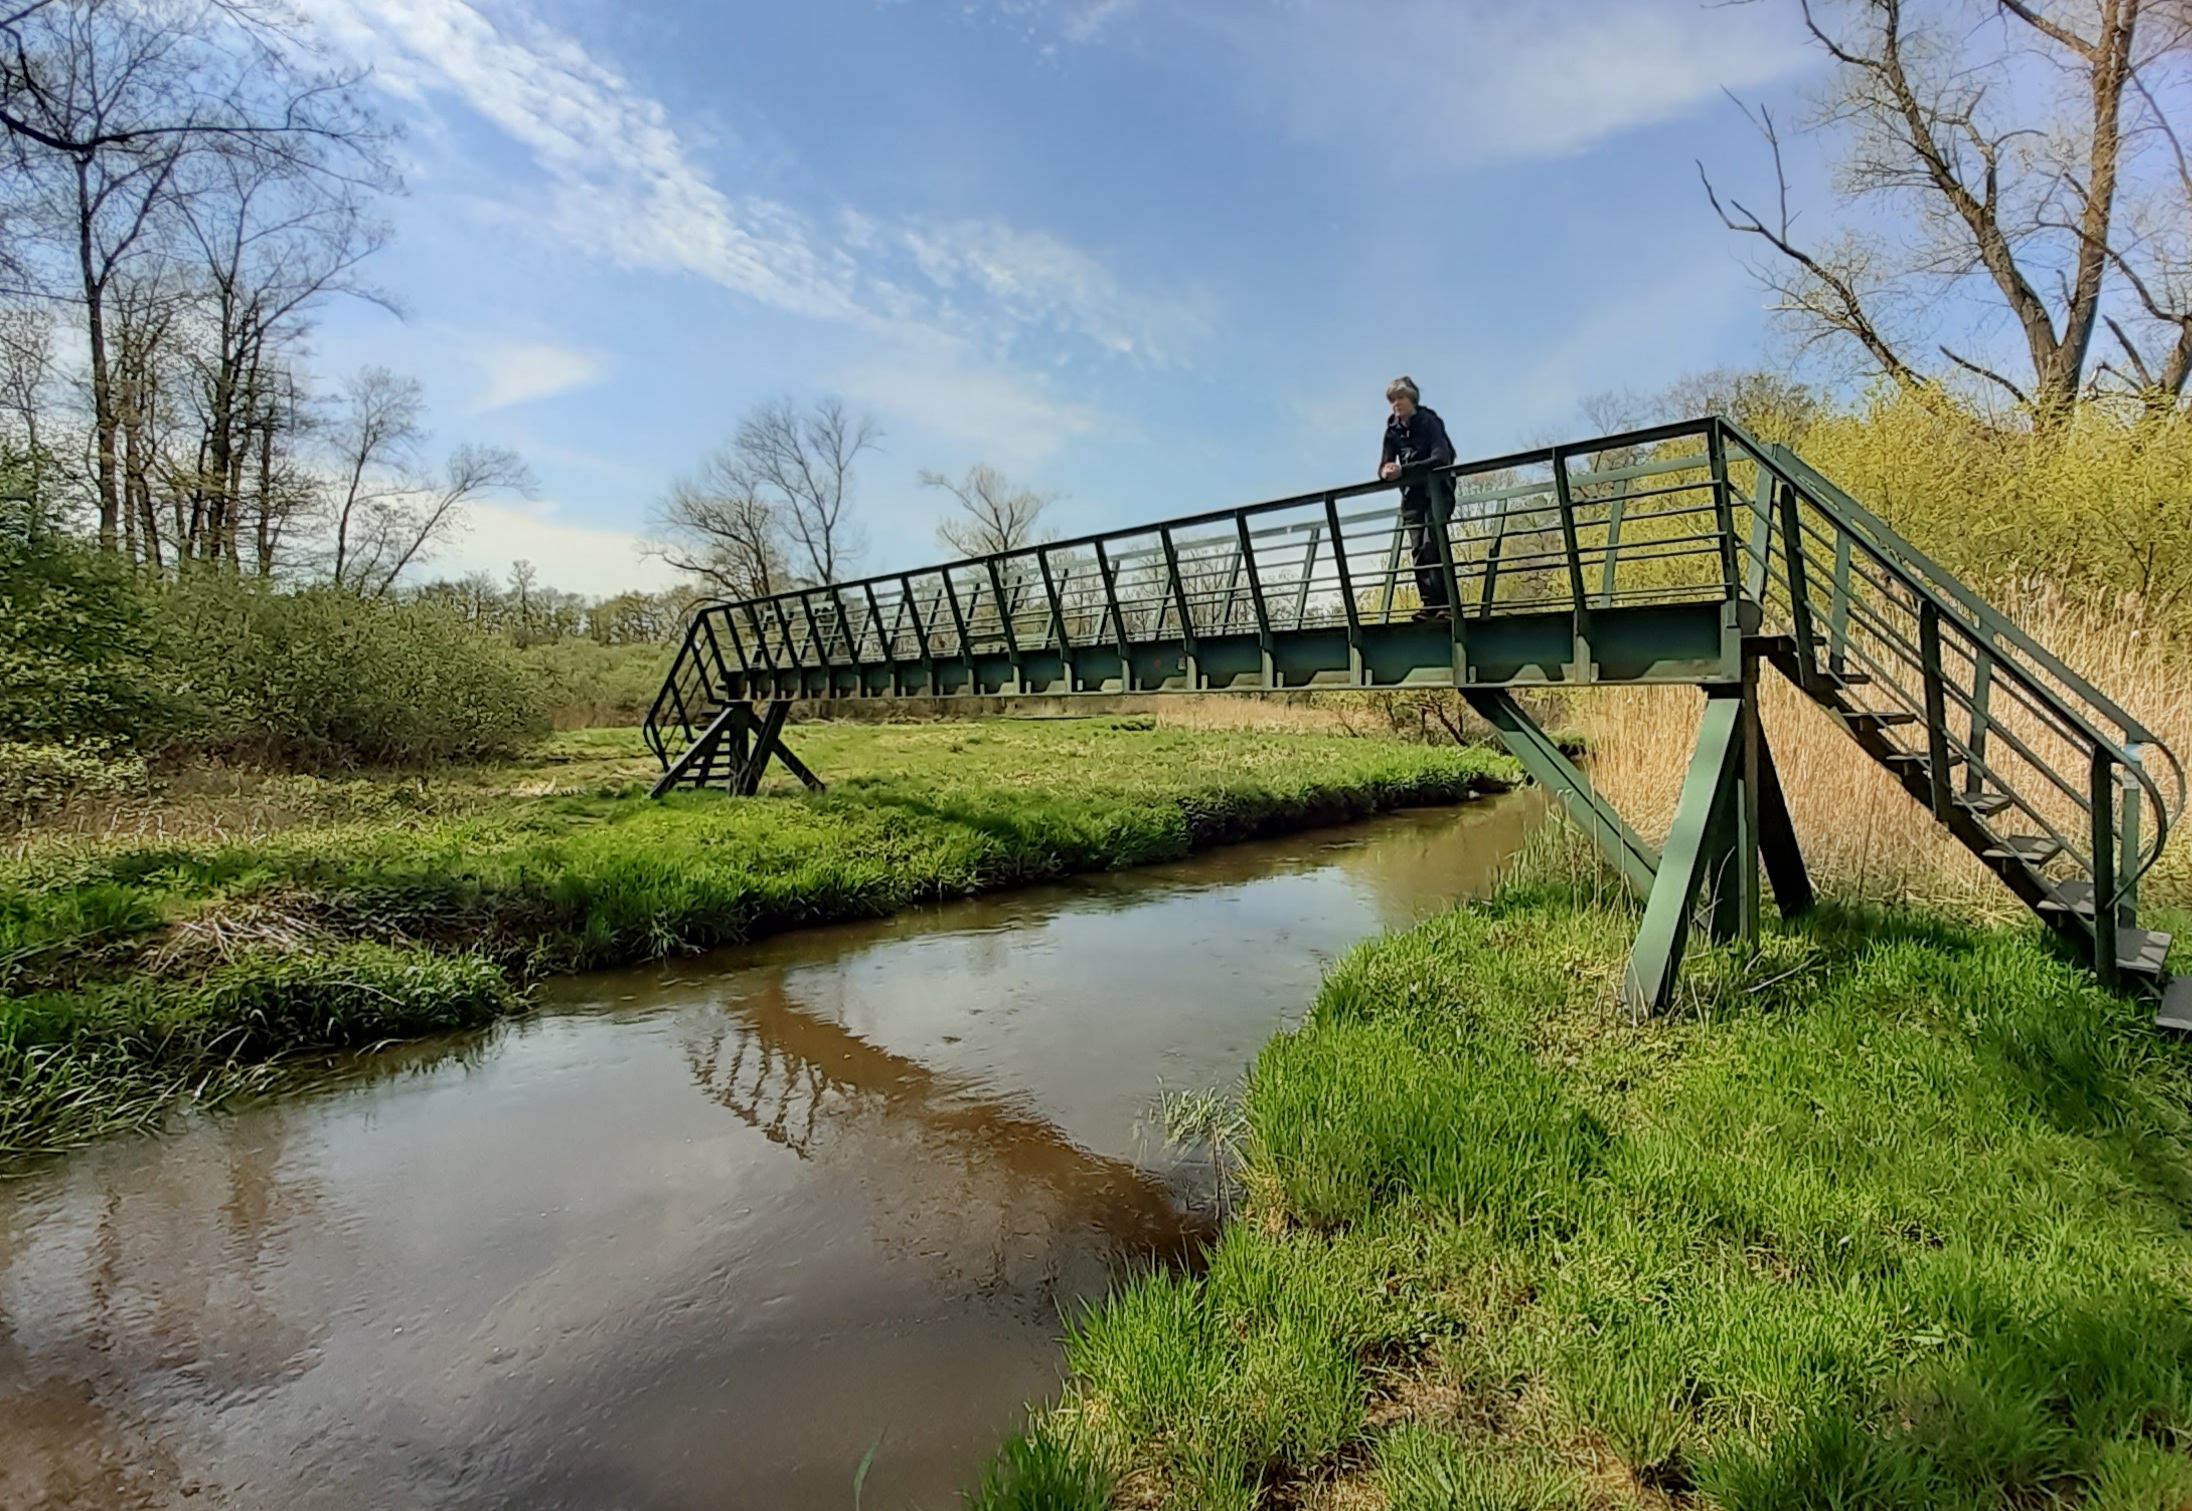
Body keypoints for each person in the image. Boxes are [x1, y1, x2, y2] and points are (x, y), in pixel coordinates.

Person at [1378, 376, 1457, 620]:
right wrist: (1386, 472)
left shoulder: (1430, 421)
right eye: (1392, 400)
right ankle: (1429, 604)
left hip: (1437, 491)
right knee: (1418, 549)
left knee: (1434, 542)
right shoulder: (1392, 431)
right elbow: (1384, 463)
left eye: (1400, 398)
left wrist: (1406, 471)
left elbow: (1442, 457)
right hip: (1412, 496)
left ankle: (1448, 604)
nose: (1396, 404)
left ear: (1411, 398)